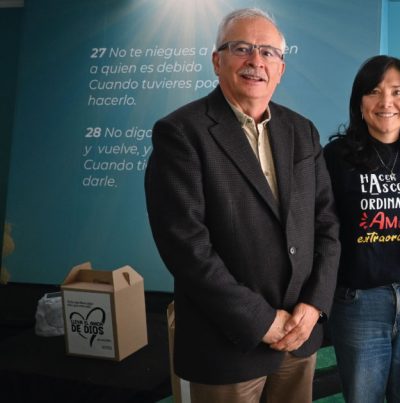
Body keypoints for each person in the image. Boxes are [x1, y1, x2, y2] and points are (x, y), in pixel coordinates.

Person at [144, 8, 340, 403]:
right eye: (242, 49)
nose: (256, 61)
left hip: (298, 336)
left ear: (281, 68)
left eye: (268, 52)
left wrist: (314, 305)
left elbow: (326, 225)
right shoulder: (181, 133)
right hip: (227, 344)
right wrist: (261, 320)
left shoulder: (302, 131)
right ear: (217, 61)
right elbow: (187, 248)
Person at [323, 55, 400, 403]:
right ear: (359, 102)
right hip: (360, 301)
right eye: (374, 91)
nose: (386, 102)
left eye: (398, 92)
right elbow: (321, 227)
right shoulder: (336, 156)